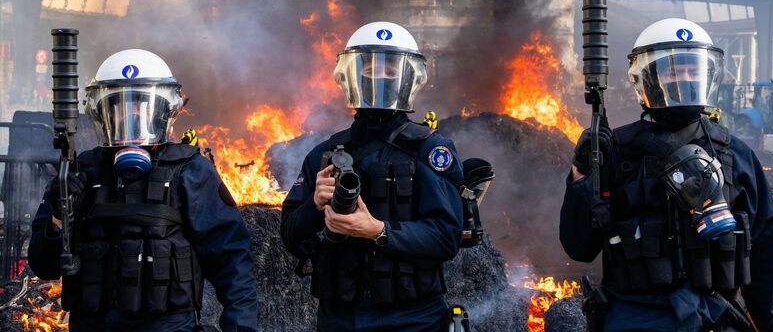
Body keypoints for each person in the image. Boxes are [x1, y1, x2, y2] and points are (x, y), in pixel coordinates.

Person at [561, 18, 773, 331]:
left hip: (716, 317)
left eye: (692, 69)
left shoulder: (734, 155)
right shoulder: (617, 151)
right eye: (673, 70)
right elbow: (579, 246)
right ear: (647, 78)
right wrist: (581, 173)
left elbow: (766, 255)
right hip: (635, 318)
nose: (684, 78)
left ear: (708, 74)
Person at [28, 49, 259, 332]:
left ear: (164, 111)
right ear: (103, 113)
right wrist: (58, 216)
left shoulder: (190, 170)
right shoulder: (79, 173)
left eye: (141, 103)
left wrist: (240, 327)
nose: (132, 114)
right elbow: (43, 266)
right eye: (120, 105)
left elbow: (231, 259)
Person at [281, 21, 464, 331]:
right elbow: (290, 235)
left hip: (413, 320)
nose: (380, 77)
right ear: (352, 75)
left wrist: (378, 231)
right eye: (370, 69)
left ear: (409, 77)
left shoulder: (430, 151)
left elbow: (446, 237)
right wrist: (314, 206)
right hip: (340, 318)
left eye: (391, 70)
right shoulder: (325, 153)